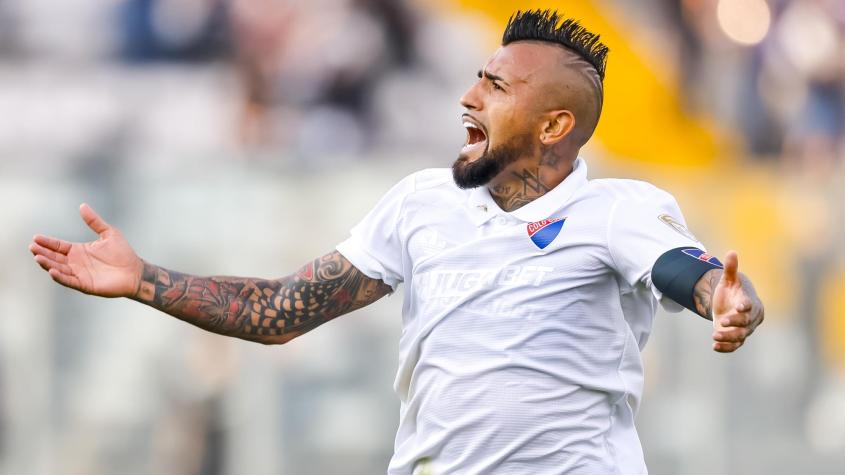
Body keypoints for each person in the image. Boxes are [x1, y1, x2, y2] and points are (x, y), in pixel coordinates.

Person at [30, 10, 764, 474]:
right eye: (476, 79)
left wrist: (727, 300)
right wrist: (143, 278)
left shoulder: (617, 209)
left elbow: (690, 271)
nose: (468, 97)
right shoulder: (420, 203)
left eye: (496, 88)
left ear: (553, 127)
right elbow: (281, 310)